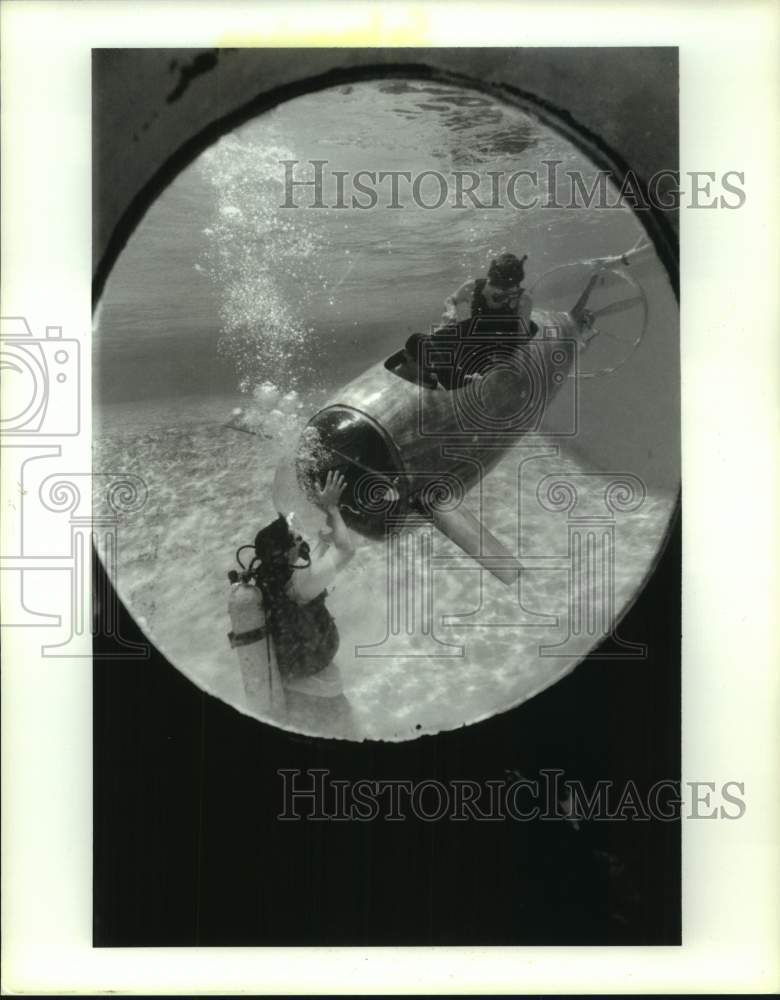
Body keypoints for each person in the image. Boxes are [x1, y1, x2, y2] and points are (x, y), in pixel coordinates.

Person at [248, 471, 358, 737]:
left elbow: (303, 575)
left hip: (291, 687)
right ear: (287, 551)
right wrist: (332, 508)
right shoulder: (301, 584)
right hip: (321, 694)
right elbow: (347, 550)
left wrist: (321, 543)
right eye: (295, 536)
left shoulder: (268, 577)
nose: (300, 535)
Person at [441, 252, 534, 333]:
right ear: (490, 279)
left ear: (516, 284)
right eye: (497, 286)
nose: (501, 292)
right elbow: (450, 300)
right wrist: (450, 312)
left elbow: (522, 337)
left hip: (507, 338)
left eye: (508, 289)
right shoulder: (474, 286)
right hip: (477, 334)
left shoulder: (524, 298)